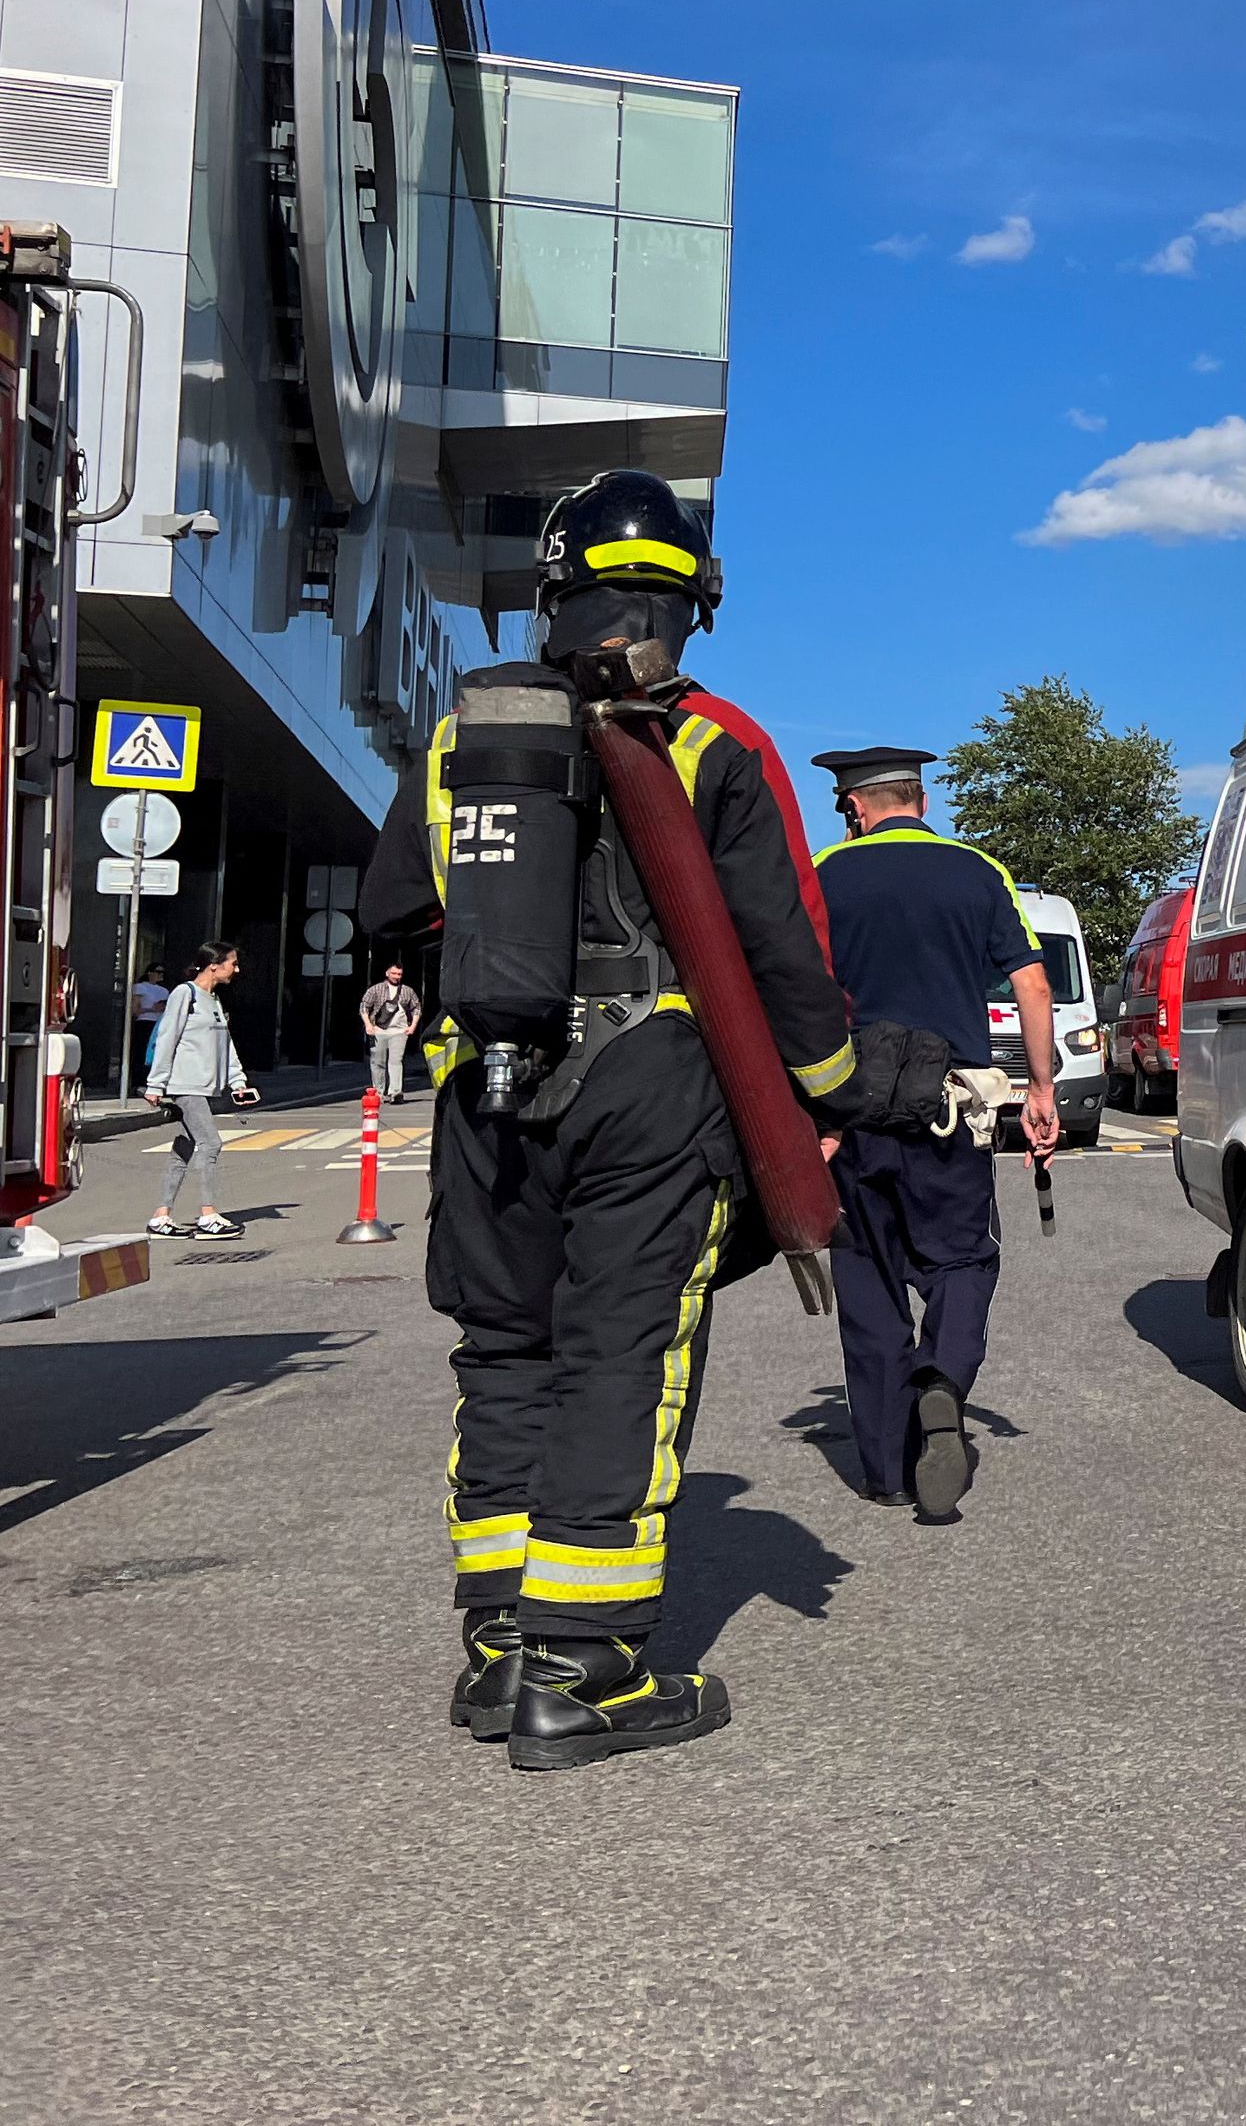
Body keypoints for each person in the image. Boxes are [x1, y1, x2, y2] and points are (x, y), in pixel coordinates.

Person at [360, 469, 863, 1771]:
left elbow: (396, 915)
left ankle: (496, 1649)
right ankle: (581, 1670)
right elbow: (787, 957)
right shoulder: (719, 743)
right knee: (619, 1355)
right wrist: (827, 1100)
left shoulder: (468, 738)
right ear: (691, 604)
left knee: (507, 1355)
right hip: (648, 1082)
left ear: (554, 594)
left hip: (486, 1084)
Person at [809, 745, 1057, 1524]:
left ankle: (885, 1469)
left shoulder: (824, 871)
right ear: (920, 797)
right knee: (962, 1257)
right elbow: (1032, 980)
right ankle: (943, 1379)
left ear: (855, 806)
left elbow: (790, 985)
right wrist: (1042, 1086)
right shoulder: (978, 871)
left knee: (869, 1280)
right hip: (948, 1108)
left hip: (849, 1114)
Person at [143, 941, 252, 1239]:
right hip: (185, 1084)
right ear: (214, 965)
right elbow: (167, 1037)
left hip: (205, 1086)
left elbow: (225, 1045)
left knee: (185, 1148)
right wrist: (156, 1083)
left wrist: (238, 1081)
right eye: (233, 963)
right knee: (211, 1144)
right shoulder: (185, 993)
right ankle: (208, 1216)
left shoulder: (213, 1001)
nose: (236, 969)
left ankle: (161, 1216)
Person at [359, 962, 421, 1104]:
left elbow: (416, 1007)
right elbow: (364, 1006)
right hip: (379, 1030)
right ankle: (378, 1092)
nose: (396, 976)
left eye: (399, 974)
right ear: (387, 973)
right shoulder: (376, 989)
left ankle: (396, 1092)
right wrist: (368, 1025)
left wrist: (412, 1027)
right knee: (377, 1062)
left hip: (399, 1031)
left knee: (396, 1061)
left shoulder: (407, 991)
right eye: (393, 973)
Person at [127, 966, 166, 1096]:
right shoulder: (141, 987)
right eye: (158, 972)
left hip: (158, 1023)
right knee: (141, 1052)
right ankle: (138, 1083)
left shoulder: (164, 991)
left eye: (162, 973)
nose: (160, 975)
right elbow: (135, 1009)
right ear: (150, 973)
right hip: (144, 1022)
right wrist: (152, 1009)